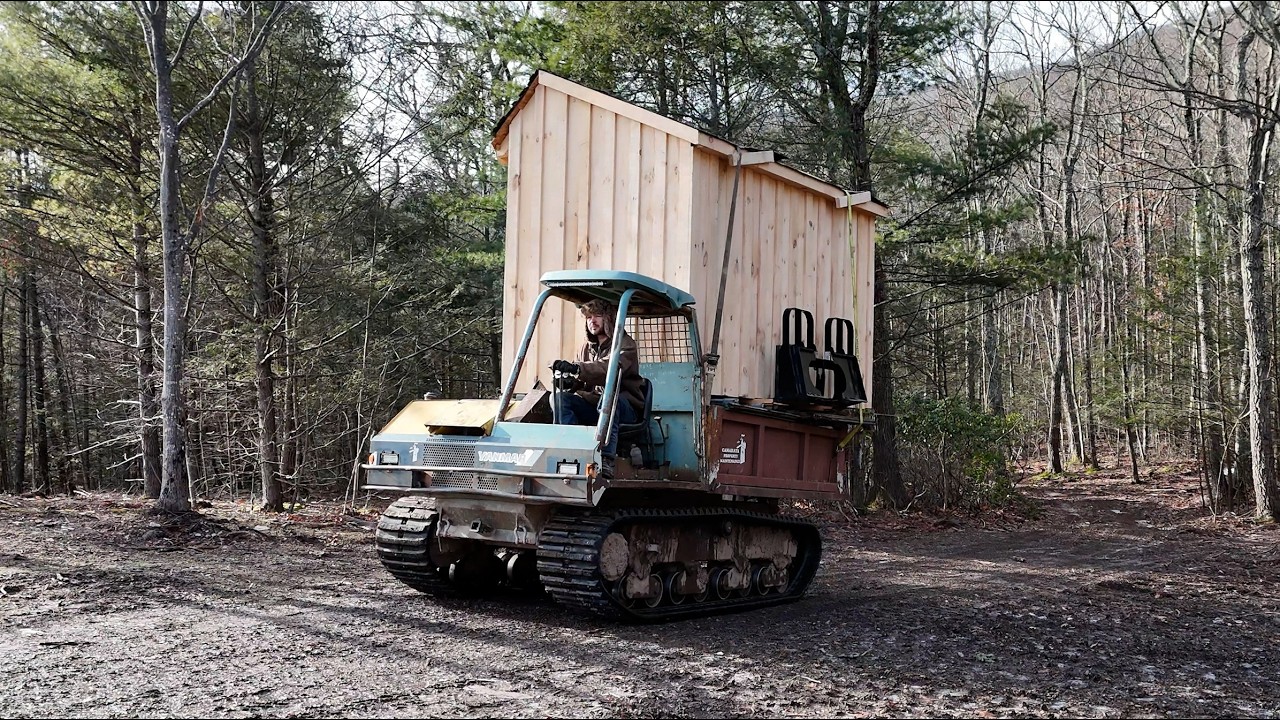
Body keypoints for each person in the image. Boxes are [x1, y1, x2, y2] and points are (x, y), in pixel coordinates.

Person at [551, 299, 644, 478]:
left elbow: (609, 368)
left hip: (625, 408)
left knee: (609, 400)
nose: (592, 321)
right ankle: (571, 450)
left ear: (609, 318)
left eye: (598, 316)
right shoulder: (586, 348)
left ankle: (606, 458)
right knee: (559, 398)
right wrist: (570, 382)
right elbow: (583, 378)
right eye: (588, 317)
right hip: (595, 405)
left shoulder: (625, 345)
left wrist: (578, 369)